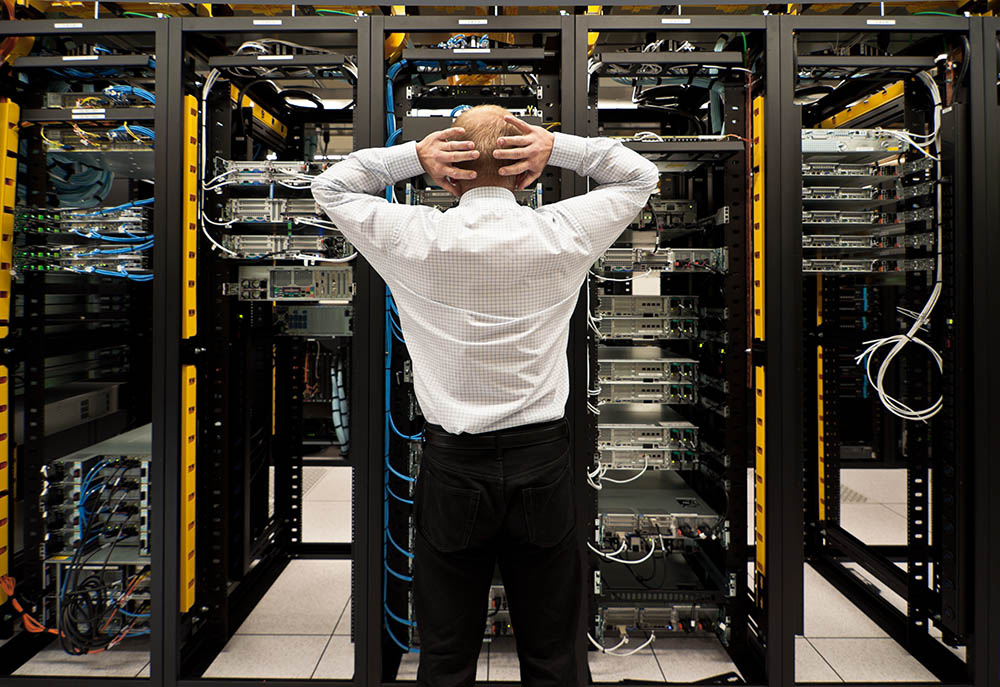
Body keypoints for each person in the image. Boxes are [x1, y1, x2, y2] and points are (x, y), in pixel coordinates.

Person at [312, 105, 658, 687]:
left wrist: (412, 158)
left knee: (446, 653)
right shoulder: (562, 231)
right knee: (552, 652)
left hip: (453, 466)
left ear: (449, 174)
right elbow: (639, 175)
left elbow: (333, 185)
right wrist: (560, 146)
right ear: (529, 174)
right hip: (543, 463)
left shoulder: (412, 235)